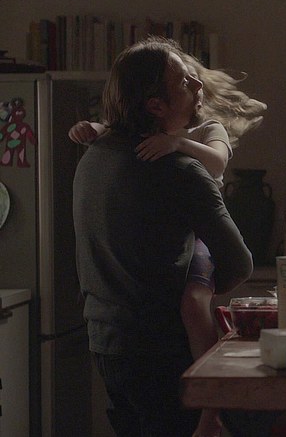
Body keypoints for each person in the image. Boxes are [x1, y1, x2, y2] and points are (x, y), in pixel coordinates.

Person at [70, 50, 265, 437]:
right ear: (156, 105)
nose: (197, 85)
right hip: (160, 350)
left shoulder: (93, 159)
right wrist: (199, 288)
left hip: (105, 342)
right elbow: (239, 265)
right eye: (185, 82)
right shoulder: (179, 170)